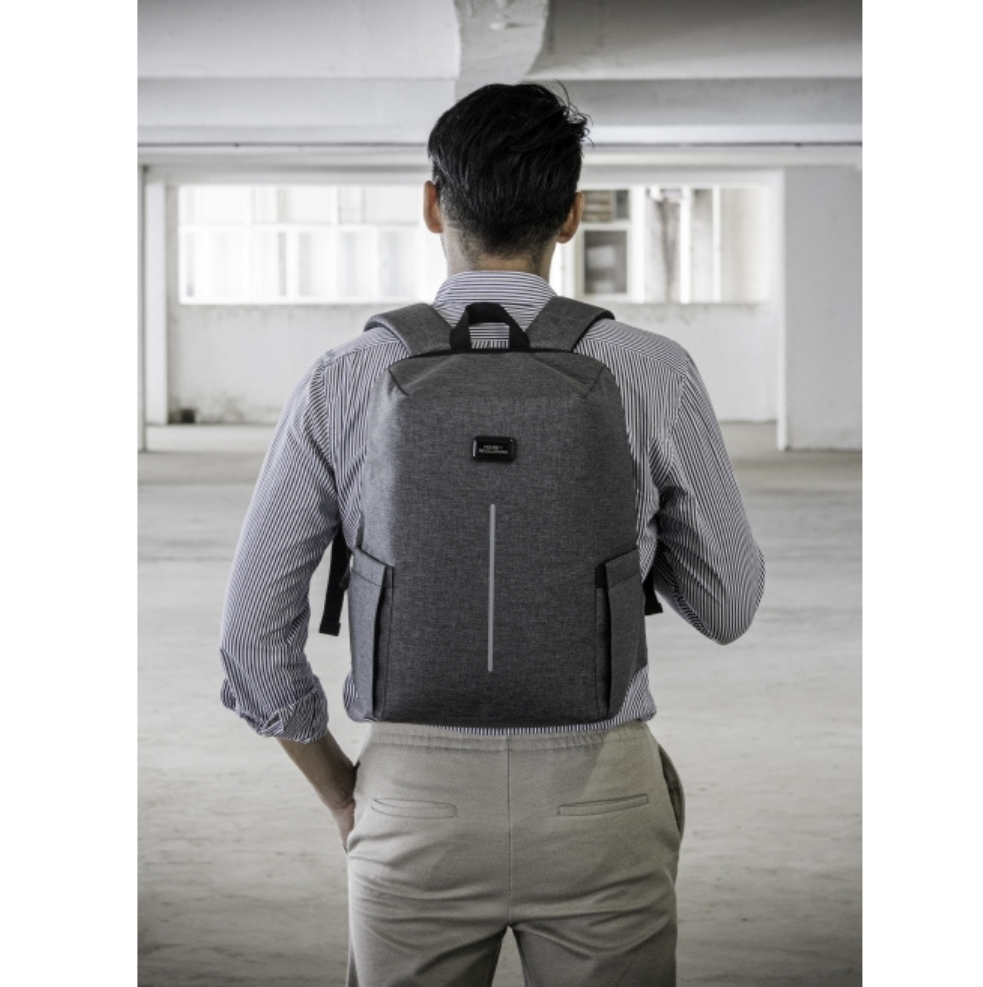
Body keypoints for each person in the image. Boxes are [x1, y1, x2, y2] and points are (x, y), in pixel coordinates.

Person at [219, 82, 765, 987]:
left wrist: (344, 796)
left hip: (412, 798)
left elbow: (251, 643)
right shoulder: (654, 370)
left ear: (433, 204)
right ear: (572, 215)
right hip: (602, 794)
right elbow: (729, 605)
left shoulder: (343, 378)